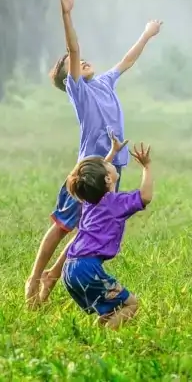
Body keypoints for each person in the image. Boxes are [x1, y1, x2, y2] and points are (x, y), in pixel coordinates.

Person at [24, 0, 162, 308]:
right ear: (66, 77)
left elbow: (126, 61)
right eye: (71, 63)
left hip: (112, 168)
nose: (82, 61)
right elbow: (73, 49)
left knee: (91, 225)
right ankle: (35, 277)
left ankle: (55, 275)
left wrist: (146, 34)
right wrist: (66, 14)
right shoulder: (79, 91)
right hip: (88, 172)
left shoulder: (103, 82)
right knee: (62, 227)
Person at [62, 137, 153, 329]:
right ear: (107, 179)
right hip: (87, 269)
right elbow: (145, 197)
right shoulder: (115, 204)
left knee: (112, 308)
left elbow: (97, 175)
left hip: (70, 268)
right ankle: (105, 339)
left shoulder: (89, 201)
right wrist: (146, 167)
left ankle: (96, 334)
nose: (109, 163)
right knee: (131, 304)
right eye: (107, 164)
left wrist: (112, 152)